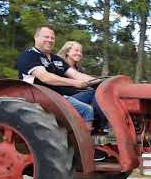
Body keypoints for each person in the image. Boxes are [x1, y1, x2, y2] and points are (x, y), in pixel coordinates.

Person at [15, 26, 107, 161]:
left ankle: (89, 144)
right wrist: (74, 83)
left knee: (90, 105)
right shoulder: (29, 55)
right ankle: (83, 151)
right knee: (87, 108)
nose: (50, 40)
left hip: (56, 98)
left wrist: (102, 82)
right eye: (46, 37)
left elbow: (75, 74)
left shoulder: (55, 59)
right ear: (36, 37)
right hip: (39, 99)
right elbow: (45, 77)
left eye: (52, 38)